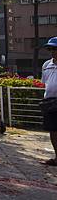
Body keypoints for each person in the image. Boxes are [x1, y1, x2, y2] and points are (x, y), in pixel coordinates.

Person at [41, 36, 57, 166]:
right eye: (51, 49)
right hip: (50, 102)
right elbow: (44, 83)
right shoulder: (46, 65)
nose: (53, 51)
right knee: (53, 131)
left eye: (55, 49)